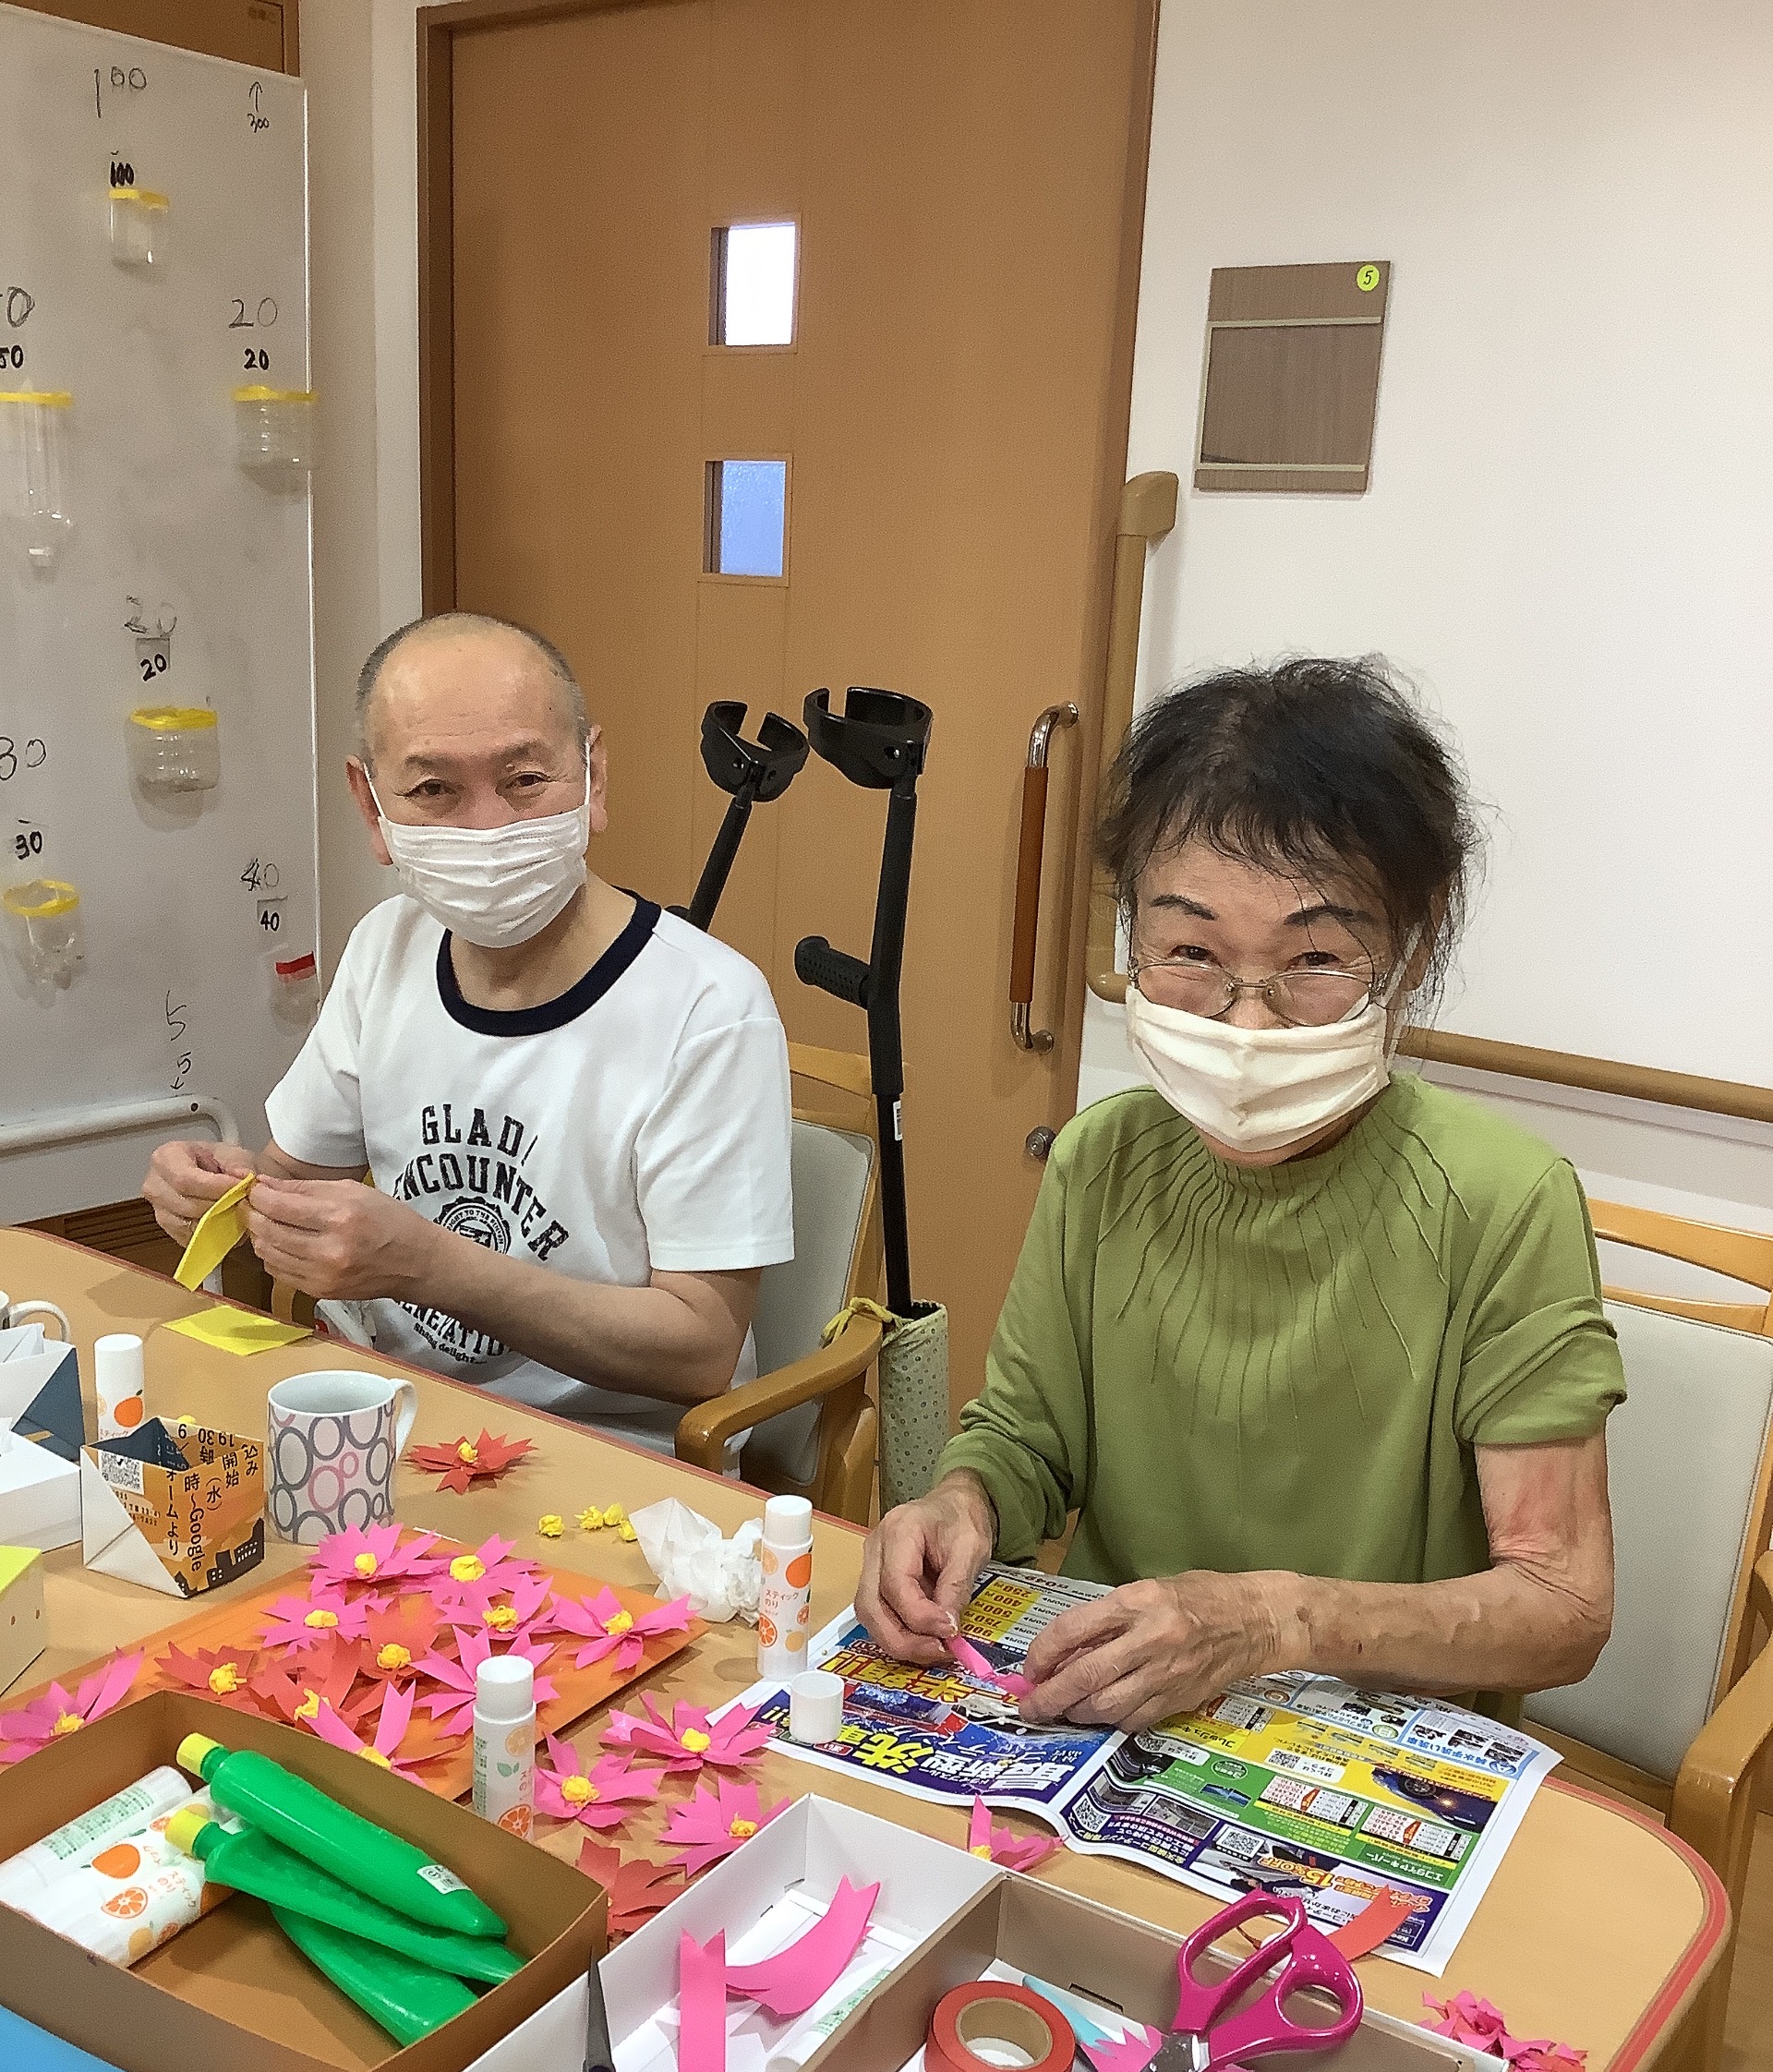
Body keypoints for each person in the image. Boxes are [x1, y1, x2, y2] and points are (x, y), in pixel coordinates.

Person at [859, 657, 1625, 1729]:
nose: (1246, 1024)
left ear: (1411, 949)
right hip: (1114, 1713)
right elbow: (1028, 1439)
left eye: (1315, 959)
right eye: (1190, 950)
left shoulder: (1504, 1199)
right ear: (1131, 933)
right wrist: (960, 1501)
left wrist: (1272, 1621)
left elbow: (1561, 1606)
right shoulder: (1102, 1158)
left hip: (1362, 1743)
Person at [144, 611, 794, 1453]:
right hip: (382, 1412)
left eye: (525, 779)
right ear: (371, 806)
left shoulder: (710, 1007)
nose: (489, 827)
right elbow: (293, 1181)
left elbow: (701, 1347)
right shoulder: (388, 946)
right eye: (433, 791)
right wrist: (221, 1198)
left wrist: (430, 1267)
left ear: (593, 777)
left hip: (605, 1455)